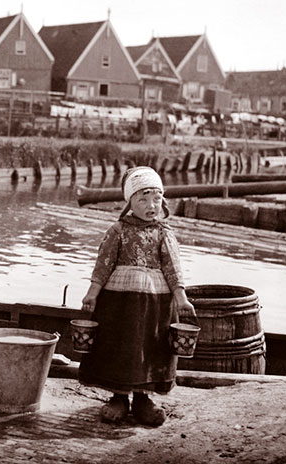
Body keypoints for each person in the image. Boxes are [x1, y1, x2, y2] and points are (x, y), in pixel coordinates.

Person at [78, 166, 196, 426]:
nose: (150, 205)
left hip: (156, 301)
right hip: (119, 301)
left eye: (156, 198)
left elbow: (173, 267)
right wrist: (92, 294)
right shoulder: (118, 230)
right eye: (142, 199)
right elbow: (103, 263)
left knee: (150, 346)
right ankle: (118, 397)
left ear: (163, 201)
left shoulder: (164, 233)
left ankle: (143, 399)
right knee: (120, 344)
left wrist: (181, 297)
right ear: (129, 202)